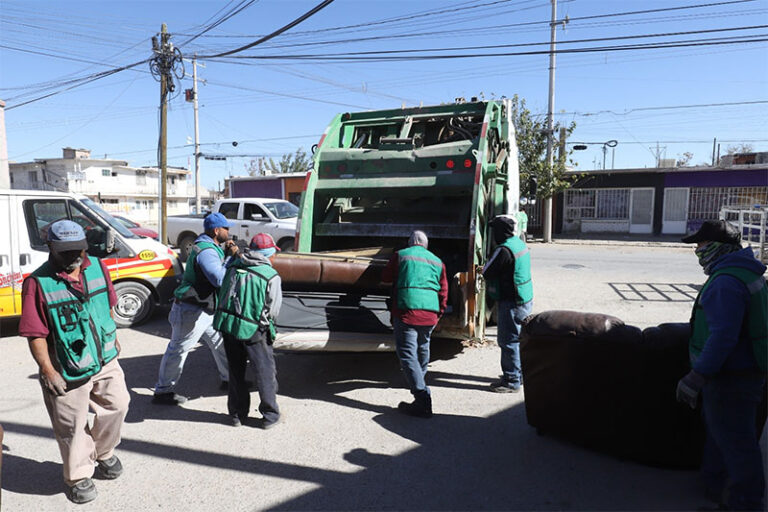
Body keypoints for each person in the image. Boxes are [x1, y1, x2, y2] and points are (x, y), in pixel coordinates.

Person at [19, 220, 130, 504]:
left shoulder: (98, 267)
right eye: (65, 251)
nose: (74, 257)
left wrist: (113, 336)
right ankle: (78, 475)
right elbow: (35, 333)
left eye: (78, 250)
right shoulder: (37, 283)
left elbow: (107, 305)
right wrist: (47, 370)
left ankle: (102, 452)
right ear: (50, 247)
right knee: (72, 425)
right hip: (65, 367)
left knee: (118, 405)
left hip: (105, 358)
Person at [676, 219, 767, 511]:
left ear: (718, 247)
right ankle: (716, 486)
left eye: (701, 245)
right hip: (746, 371)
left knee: (737, 443)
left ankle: (745, 503)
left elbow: (723, 337)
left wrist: (695, 377)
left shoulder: (725, 282)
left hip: (731, 377)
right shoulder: (747, 272)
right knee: (724, 435)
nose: (698, 251)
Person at [153, 212, 238, 405]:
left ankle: (229, 380)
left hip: (203, 308)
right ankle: (163, 391)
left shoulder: (210, 247)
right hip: (191, 309)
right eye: (226, 228)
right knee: (178, 350)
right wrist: (230, 258)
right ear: (216, 231)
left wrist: (226, 254)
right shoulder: (207, 251)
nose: (228, 232)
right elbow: (219, 279)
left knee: (220, 343)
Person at [214, 233, 283, 429]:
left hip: (229, 327)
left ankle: (237, 415)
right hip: (254, 331)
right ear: (268, 254)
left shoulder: (233, 266)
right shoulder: (270, 275)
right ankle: (270, 416)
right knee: (264, 372)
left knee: (236, 372)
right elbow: (273, 310)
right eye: (273, 253)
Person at [381, 230, 448, 418]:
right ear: (426, 245)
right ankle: (419, 381)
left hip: (407, 311)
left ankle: (422, 397)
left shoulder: (401, 255)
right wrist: (439, 313)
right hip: (430, 313)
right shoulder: (438, 261)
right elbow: (444, 291)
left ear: (410, 242)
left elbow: (385, 277)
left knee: (407, 353)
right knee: (422, 348)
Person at [482, 214, 533, 393]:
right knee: (519, 339)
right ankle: (519, 375)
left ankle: (511, 381)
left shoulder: (504, 250)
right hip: (524, 297)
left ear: (501, 231)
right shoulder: (519, 243)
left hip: (511, 301)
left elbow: (487, 271)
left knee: (508, 341)